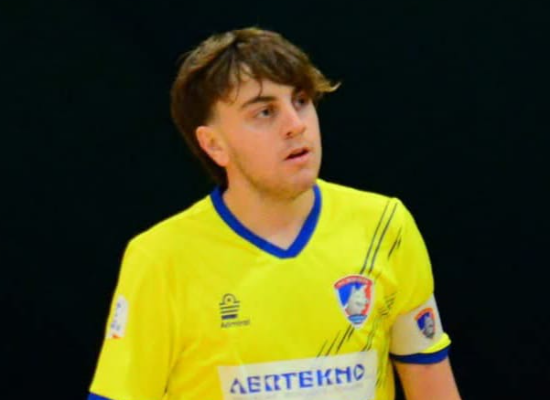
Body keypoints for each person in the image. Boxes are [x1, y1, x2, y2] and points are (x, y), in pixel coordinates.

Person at [87, 27, 462, 400]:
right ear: (214, 145)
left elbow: (433, 386)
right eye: (265, 112)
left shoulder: (384, 226)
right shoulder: (162, 258)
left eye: (301, 100)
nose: (296, 125)